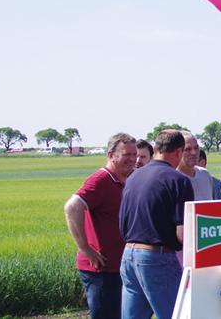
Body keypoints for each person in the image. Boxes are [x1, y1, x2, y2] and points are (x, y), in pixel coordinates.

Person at [119, 130, 194, 319]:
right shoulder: (179, 181)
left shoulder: (133, 177)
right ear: (178, 152)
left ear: (155, 148)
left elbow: (123, 223)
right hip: (157, 257)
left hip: (128, 254)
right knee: (176, 314)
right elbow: (183, 233)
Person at [63, 133, 137, 319]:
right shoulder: (102, 180)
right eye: (126, 154)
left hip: (118, 265)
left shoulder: (126, 180)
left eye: (134, 154)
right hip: (101, 269)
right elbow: (72, 207)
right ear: (111, 155)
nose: (132, 159)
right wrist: (85, 247)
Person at [176, 132, 214, 203]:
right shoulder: (173, 179)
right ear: (178, 152)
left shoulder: (205, 175)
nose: (194, 152)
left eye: (196, 148)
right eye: (188, 149)